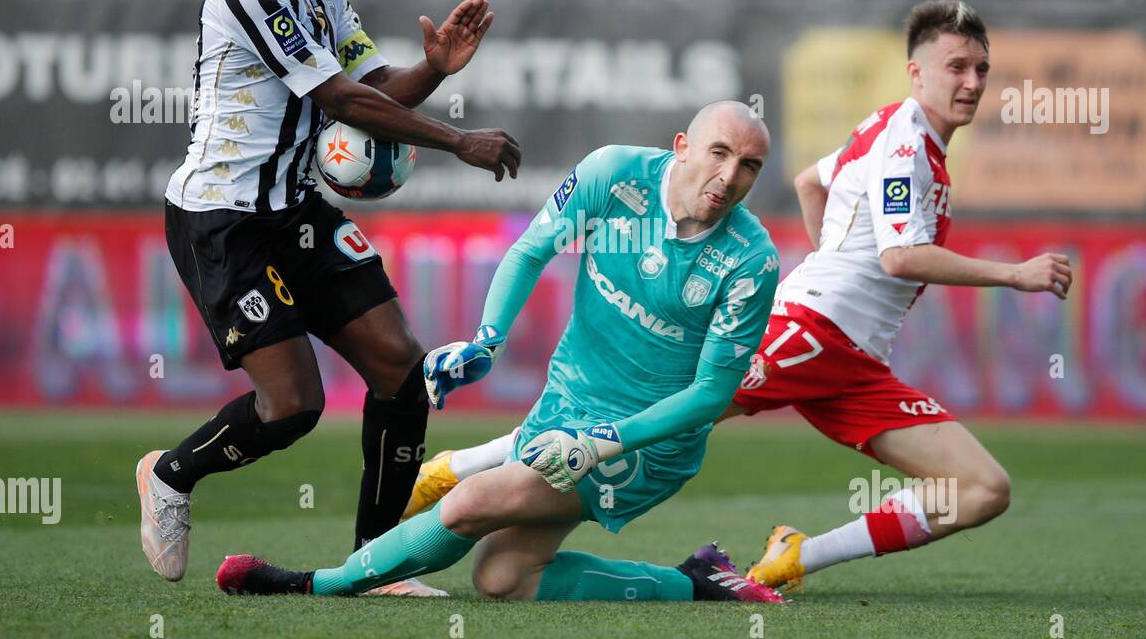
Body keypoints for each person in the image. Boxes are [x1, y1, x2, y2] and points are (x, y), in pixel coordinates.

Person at [406, 0, 1073, 594]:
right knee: (656, 411)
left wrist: (829, 261)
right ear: (917, 72)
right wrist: (1015, 275)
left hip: (853, 356)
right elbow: (899, 255)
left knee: (984, 488)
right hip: (811, 331)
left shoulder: (890, 130)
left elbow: (813, 182)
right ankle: (456, 471)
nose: (972, 82)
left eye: (982, 70)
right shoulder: (906, 147)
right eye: (957, 66)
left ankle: (797, 555)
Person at [137, 0, 520, 586]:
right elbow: (338, 99)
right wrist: (457, 141)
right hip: (223, 218)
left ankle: (374, 565)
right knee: (292, 406)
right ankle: (171, 475)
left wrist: (433, 69)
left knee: (401, 369)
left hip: (295, 209)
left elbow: (372, 87)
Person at [215, 101, 784, 604]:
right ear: (682, 148)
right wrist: (487, 341)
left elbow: (710, 396)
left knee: (468, 505)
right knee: (504, 577)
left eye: (749, 165)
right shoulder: (615, 174)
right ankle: (699, 581)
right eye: (719, 152)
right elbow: (532, 250)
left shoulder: (749, 259)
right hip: (565, 406)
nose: (729, 176)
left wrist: (603, 441)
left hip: (644, 442)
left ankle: (315, 584)